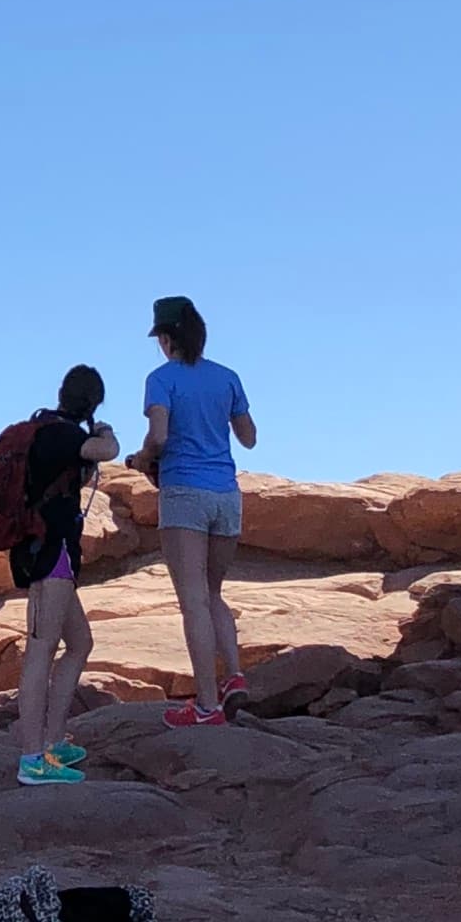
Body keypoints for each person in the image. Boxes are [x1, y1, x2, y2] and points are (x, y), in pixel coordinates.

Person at [133, 295, 256, 729]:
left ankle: (206, 705)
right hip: (227, 494)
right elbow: (249, 437)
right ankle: (234, 678)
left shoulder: (161, 379)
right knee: (214, 592)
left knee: (193, 602)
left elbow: (160, 436)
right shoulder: (227, 378)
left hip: (184, 492)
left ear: (166, 338)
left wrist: (142, 457)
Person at [11, 366, 119, 787]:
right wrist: (106, 430)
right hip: (47, 554)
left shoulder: (49, 431)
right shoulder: (63, 436)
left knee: (80, 643)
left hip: (54, 556)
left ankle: (54, 741)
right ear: (92, 402)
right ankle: (31, 757)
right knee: (41, 650)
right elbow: (106, 451)